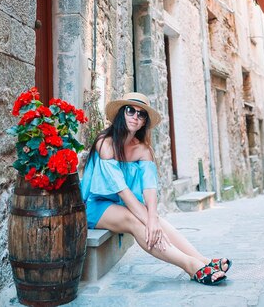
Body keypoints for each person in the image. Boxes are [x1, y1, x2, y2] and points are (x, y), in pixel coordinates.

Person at [81, 92, 231, 286]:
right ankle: (191, 266)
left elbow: (149, 188)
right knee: (135, 221)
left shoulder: (143, 150)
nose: (135, 116)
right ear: (121, 113)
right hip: (95, 205)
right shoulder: (106, 144)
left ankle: (204, 261)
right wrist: (149, 222)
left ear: (144, 122)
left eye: (141, 114)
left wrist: (153, 218)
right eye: (130, 110)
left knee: (155, 220)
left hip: (121, 204)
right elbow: (123, 191)